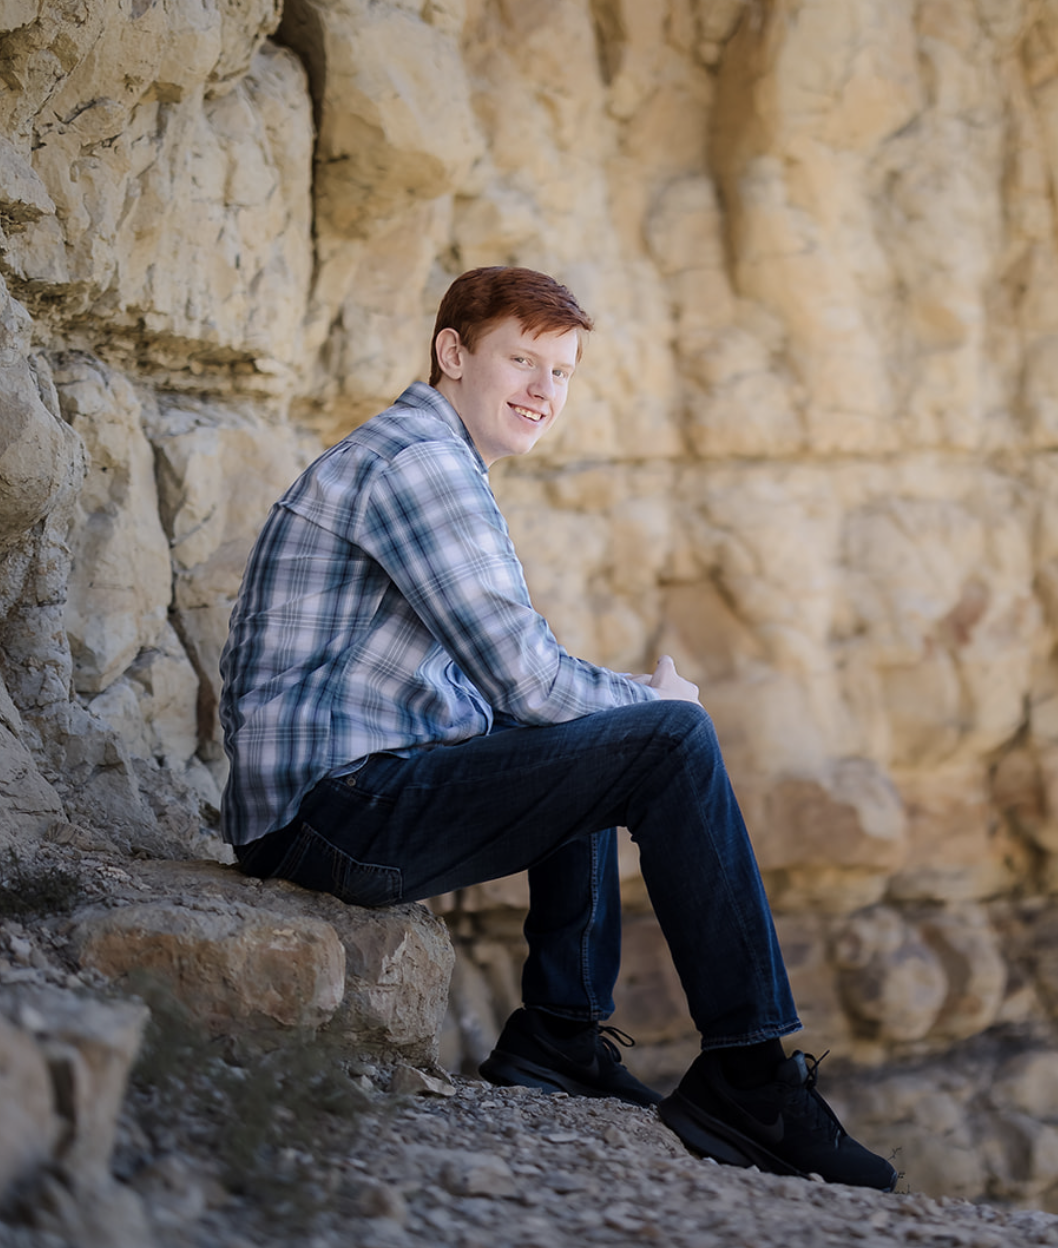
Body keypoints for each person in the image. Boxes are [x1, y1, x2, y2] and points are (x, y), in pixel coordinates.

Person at [217, 266, 895, 1191]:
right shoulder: (419, 464)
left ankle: (561, 1034)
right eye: (522, 361)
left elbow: (518, 699)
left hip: (341, 804)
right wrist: (664, 712)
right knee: (665, 742)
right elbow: (530, 681)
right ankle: (749, 1076)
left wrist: (628, 712)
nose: (544, 391)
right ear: (452, 354)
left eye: (564, 373)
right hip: (331, 814)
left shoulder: (435, 456)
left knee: (601, 741)